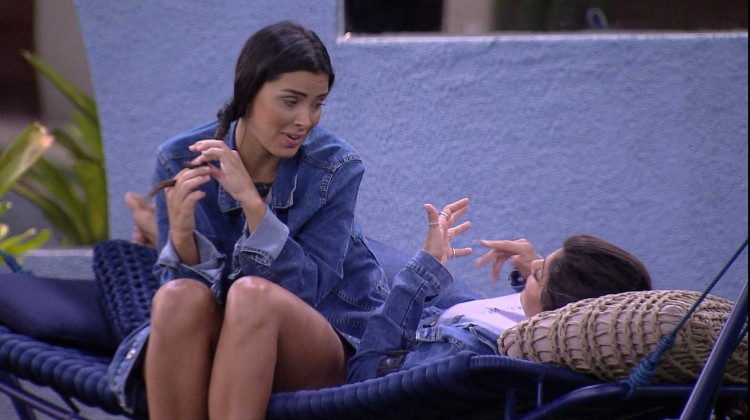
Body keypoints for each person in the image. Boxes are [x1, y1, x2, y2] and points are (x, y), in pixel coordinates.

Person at [109, 21, 392, 419]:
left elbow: (308, 291)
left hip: (322, 341)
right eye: (290, 101)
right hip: (229, 346)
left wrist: (253, 205)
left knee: (253, 296)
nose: (305, 119)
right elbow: (185, 315)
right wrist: (182, 240)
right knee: (175, 298)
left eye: (318, 103)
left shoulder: (335, 167)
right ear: (248, 95)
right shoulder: (178, 159)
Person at [346, 202, 653, 383]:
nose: (535, 264)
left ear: (555, 315)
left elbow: (366, 375)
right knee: (347, 240)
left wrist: (422, 271)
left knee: (345, 244)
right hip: (467, 309)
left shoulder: (467, 354)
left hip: (413, 320)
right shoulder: (582, 342)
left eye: (539, 274)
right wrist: (534, 276)